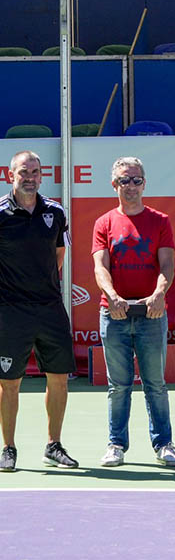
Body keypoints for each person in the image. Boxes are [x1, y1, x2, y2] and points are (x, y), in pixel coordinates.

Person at [93, 156, 175, 468]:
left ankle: (164, 444)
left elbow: (167, 265)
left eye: (136, 180)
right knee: (118, 386)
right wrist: (113, 297)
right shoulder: (103, 223)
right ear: (114, 184)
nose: (130, 186)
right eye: (123, 180)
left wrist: (159, 294)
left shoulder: (160, 221)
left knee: (155, 385)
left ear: (144, 183)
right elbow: (100, 268)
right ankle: (116, 445)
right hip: (114, 315)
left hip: (151, 315)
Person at [0, 151, 79, 472]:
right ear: (10, 175)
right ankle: (8, 448)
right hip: (10, 312)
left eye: (35, 171)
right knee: (9, 383)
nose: (30, 176)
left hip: (50, 309)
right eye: (23, 172)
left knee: (59, 379)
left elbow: (59, 254)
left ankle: (54, 445)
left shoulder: (56, 212)